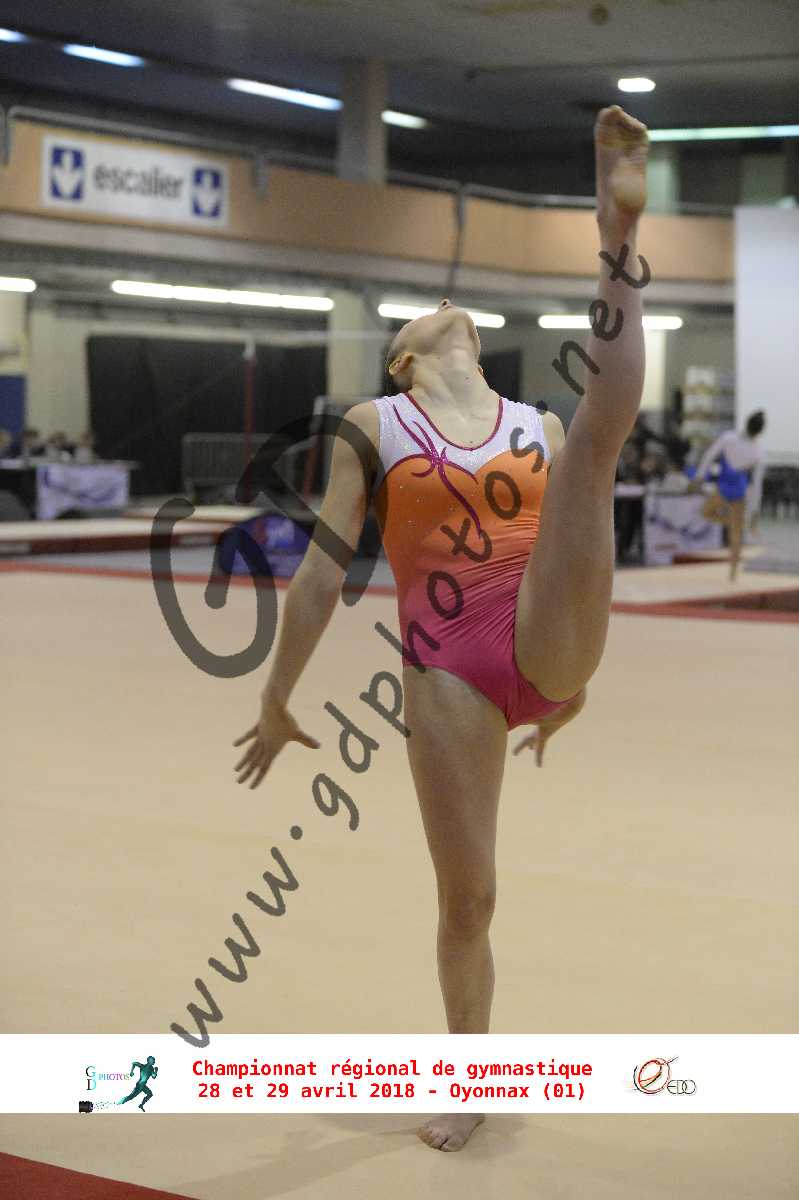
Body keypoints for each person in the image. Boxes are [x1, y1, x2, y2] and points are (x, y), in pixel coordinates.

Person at [233, 104, 650, 1152]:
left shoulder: (536, 423)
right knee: (470, 900)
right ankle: (469, 1078)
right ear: (400, 361)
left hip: (545, 634)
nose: (446, 304)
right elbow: (320, 577)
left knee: (594, 444)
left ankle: (617, 236)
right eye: (424, 312)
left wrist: (570, 685)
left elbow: (571, 560)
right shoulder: (374, 426)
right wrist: (277, 697)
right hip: (449, 670)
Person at [689, 410, 766, 582]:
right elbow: (757, 485)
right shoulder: (758, 450)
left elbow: (709, 457)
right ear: (760, 431)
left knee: (706, 513)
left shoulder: (729, 438)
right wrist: (755, 511)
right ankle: (733, 572)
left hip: (724, 488)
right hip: (738, 490)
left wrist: (699, 478)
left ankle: (733, 569)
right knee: (736, 534)